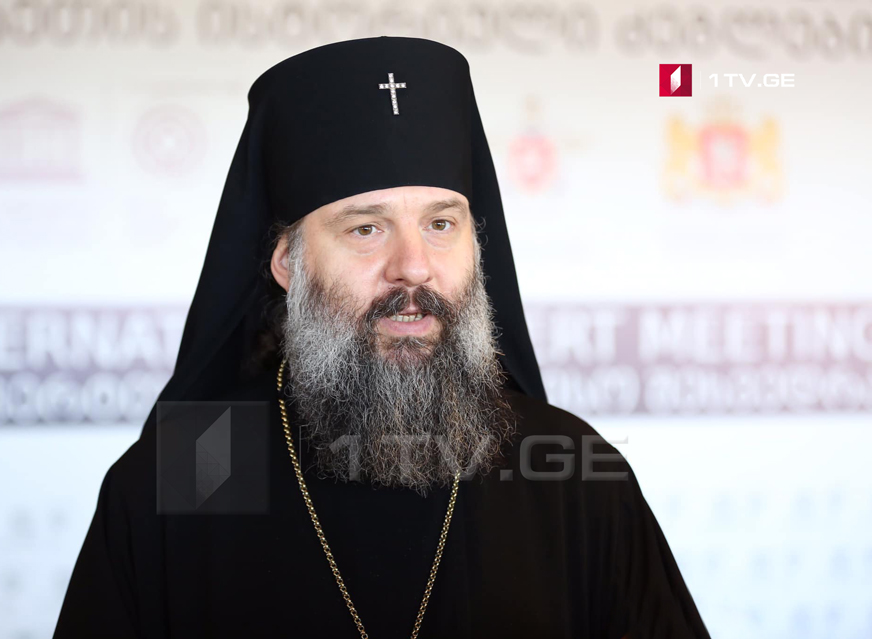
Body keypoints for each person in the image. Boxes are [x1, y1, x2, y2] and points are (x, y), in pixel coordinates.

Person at [53, 36, 712, 639]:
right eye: (366, 228)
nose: (414, 267)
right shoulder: (189, 475)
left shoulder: (571, 473)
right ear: (289, 264)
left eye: (441, 225)